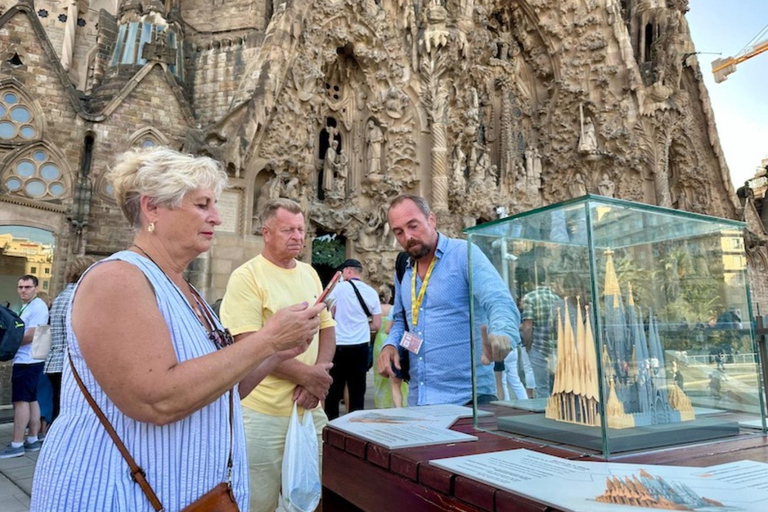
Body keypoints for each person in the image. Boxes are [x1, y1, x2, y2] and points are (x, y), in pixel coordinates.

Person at [31, 147, 323, 511]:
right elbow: (157, 399)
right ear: (152, 207)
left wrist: (277, 351)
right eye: (203, 205)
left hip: (183, 493)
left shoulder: (188, 291)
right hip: (115, 491)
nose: (217, 218)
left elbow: (220, 389)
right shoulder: (118, 278)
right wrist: (267, 338)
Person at [220, 197, 336, 512]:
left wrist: (320, 375)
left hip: (309, 407)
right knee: (259, 499)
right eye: (288, 230)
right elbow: (248, 342)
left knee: (318, 490)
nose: (298, 236)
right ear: (266, 232)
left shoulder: (310, 273)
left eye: (301, 229)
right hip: (263, 412)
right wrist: (308, 377)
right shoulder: (247, 277)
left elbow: (327, 327)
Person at [376, 194, 519, 406]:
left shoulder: (463, 254)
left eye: (413, 226)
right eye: (399, 232)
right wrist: (390, 346)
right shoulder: (404, 269)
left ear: (431, 219)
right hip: (419, 400)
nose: (408, 236)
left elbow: (498, 300)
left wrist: (501, 333)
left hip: (468, 402)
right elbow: (400, 319)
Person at [324, 259, 382, 420]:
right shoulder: (371, 292)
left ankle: (332, 423)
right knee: (357, 389)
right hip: (360, 346)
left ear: (348, 271)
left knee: (334, 389)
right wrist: (362, 326)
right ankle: (356, 425)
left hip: (339, 344)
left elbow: (330, 315)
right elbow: (377, 324)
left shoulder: (338, 290)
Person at [0, 275, 49, 458]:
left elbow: (31, 335)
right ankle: (31, 439)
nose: (23, 290)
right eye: (20, 287)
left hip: (27, 361)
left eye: (27, 287)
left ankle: (17, 443)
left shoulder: (37, 307)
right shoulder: (29, 306)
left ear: (35, 288)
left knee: (20, 402)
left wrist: (7, 344)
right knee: (31, 399)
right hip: (29, 360)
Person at [44, 257, 94, 425]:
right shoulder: (78, 297)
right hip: (70, 363)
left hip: (53, 362)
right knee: (71, 412)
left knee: (58, 408)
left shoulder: (60, 297)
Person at [521, 269, 562, 399]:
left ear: (531, 280)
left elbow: (528, 326)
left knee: (542, 387)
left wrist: (527, 345)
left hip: (538, 346)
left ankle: (545, 413)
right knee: (558, 385)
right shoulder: (556, 297)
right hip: (555, 347)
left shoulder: (529, 298)